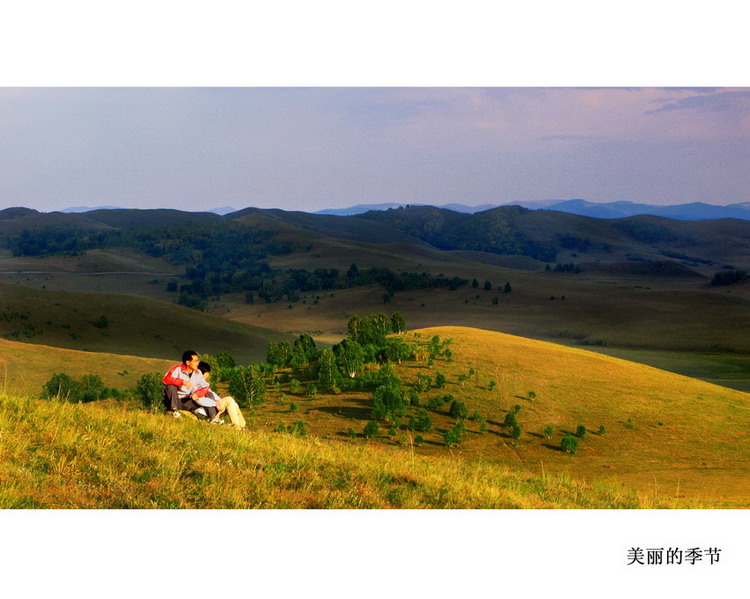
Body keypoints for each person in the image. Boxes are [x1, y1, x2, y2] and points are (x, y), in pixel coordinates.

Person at [194, 361, 247, 429]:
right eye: (207, 374)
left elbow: (212, 394)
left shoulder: (203, 384)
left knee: (233, 404)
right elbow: (199, 399)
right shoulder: (195, 385)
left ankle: (242, 426)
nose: (208, 376)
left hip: (212, 407)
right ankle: (236, 426)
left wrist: (218, 401)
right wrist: (215, 403)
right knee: (229, 400)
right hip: (207, 410)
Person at [162, 350, 204, 418]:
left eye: (198, 361)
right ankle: (174, 410)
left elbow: (203, 386)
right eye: (195, 361)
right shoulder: (177, 369)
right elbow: (165, 380)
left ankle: (207, 417)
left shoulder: (198, 373)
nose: (198, 363)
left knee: (206, 398)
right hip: (173, 399)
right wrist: (182, 382)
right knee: (170, 386)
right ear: (187, 362)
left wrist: (197, 393)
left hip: (186, 400)